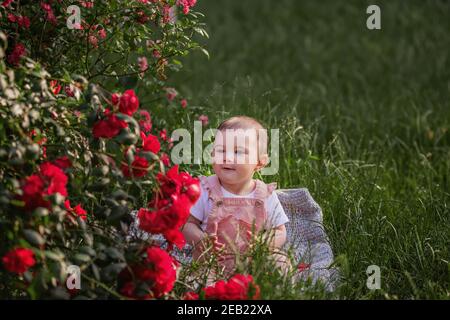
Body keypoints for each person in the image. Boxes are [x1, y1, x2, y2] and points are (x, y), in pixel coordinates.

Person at [181, 115, 291, 278]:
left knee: (281, 262)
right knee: (200, 279)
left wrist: (263, 243)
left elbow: (280, 231)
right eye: (221, 150)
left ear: (260, 163)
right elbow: (187, 225)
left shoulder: (265, 195)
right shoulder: (205, 189)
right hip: (211, 263)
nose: (227, 157)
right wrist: (201, 239)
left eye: (238, 152)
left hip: (254, 263)